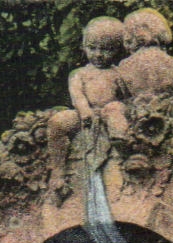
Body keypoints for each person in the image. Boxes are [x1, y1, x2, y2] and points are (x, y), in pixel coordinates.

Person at [46, 16, 126, 200]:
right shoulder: (79, 74)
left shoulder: (117, 73)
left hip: (107, 112)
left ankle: (120, 143)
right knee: (57, 123)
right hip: (85, 113)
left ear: (117, 50)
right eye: (92, 48)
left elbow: (126, 98)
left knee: (116, 109)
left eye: (106, 49)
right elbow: (77, 95)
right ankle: (58, 170)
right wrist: (84, 111)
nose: (98, 54)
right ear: (84, 47)